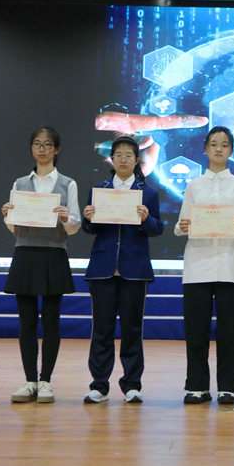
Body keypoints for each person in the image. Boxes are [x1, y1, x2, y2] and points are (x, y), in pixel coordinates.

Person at [174, 126, 234, 406]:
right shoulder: (194, 185)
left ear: (231, 150)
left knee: (230, 331)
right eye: (213, 144)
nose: (219, 149)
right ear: (205, 149)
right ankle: (196, 385)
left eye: (224, 144)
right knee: (196, 330)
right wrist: (184, 225)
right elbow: (180, 224)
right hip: (197, 265)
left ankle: (228, 387)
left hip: (230, 264)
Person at [81, 135, 163, 404]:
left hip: (134, 269)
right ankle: (99, 385)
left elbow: (157, 228)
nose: (124, 159)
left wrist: (146, 219)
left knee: (132, 329)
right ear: (112, 159)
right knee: (101, 329)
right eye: (119, 155)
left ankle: (132, 384)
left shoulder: (148, 193)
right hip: (103, 268)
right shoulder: (99, 190)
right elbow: (90, 228)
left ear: (136, 160)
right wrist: (88, 217)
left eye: (129, 155)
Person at [2, 126, 81, 404]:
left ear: (56, 149)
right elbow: (13, 227)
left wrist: (66, 218)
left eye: (48, 144)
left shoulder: (68, 184)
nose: (42, 149)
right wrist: (7, 215)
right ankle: (29, 381)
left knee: (51, 321)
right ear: (31, 149)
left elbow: (74, 226)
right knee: (26, 323)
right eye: (37, 144)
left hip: (53, 254)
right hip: (25, 253)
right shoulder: (20, 183)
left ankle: (46, 380)